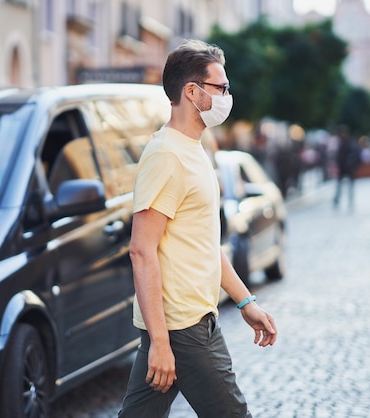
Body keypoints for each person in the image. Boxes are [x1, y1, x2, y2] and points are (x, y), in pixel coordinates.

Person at [118, 39, 277, 418]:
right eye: (220, 88)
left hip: (188, 322)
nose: (226, 95)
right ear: (192, 91)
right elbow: (142, 250)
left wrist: (245, 301)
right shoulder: (166, 156)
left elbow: (205, 244)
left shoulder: (194, 150)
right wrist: (160, 341)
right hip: (184, 328)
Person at [333, 125, 362, 209]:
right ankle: (337, 201)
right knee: (339, 186)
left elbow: (355, 155)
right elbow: (338, 156)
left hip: (349, 168)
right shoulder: (340, 143)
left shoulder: (350, 143)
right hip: (342, 168)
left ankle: (350, 201)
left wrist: (352, 164)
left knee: (350, 187)